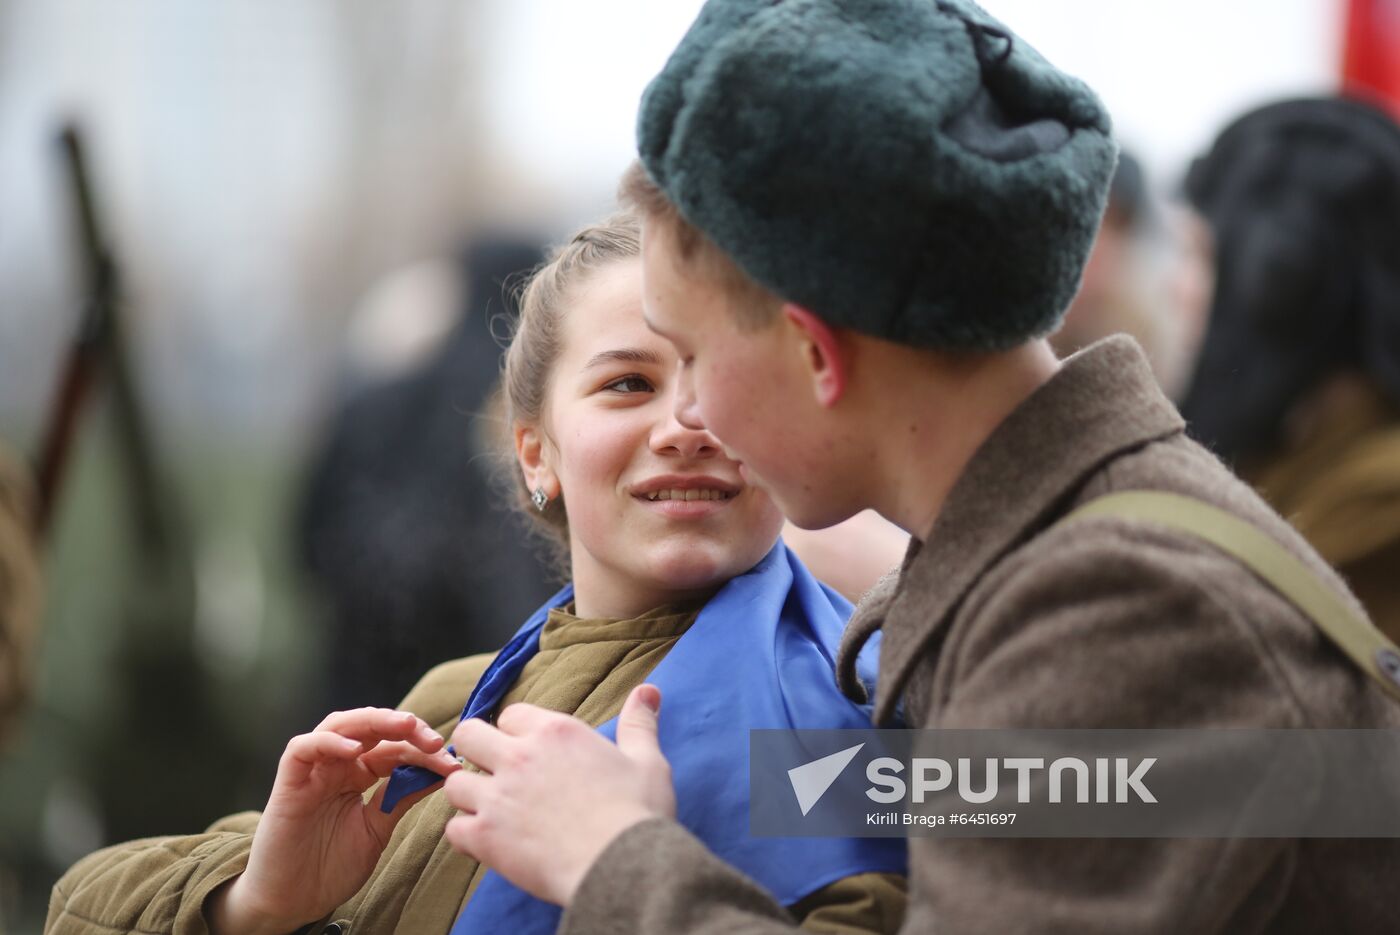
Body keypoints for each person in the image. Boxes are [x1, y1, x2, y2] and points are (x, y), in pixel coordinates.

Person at [438, 2, 1400, 933]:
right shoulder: (1051, 561)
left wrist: (613, 855)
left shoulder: (1123, 612)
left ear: (816, 354)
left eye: (688, 355)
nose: (687, 413)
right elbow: (874, 798)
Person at [44, 214, 906, 935]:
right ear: (536, 451)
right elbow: (77, 902)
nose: (685, 423)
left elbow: (1017, 828)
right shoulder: (448, 709)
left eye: (720, 378)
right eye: (627, 383)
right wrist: (254, 899)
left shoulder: (850, 706)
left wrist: (622, 862)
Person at [1179, 96, 1400, 643]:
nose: (1177, 288)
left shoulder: (1367, 529)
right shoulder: (1298, 470)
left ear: (1279, 288)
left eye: (1202, 258)